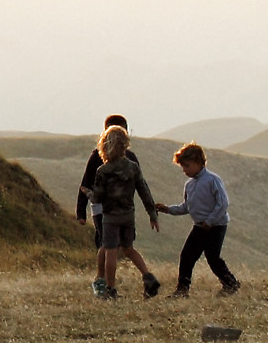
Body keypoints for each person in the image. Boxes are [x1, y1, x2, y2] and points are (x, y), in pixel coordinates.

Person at [86, 126, 162, 299]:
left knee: (110, 251)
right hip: (128, 216)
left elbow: (97, 197)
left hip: (110, 217)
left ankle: (110, 289)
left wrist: (88, 193)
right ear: (125, 146)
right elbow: (144, 191)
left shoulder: (103, 171)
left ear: (105, 146)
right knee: (129, 249)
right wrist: (152, 214)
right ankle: (148, 276)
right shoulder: (132, 167)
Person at [159, 143, 239, 297]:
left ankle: (231, 283)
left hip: (216, 226)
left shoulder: (212, 180)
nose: (185, 170)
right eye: (183, 167)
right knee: (187, 256)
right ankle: (182, 290)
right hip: (200, 226)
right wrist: (168, 209)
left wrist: (210, 221)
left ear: (199, 162)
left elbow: (223, 203)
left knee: (213, 257)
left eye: (187, 166)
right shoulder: (189, 185)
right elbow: (186, 207)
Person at [77, 113, 138, 295]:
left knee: (121, 245)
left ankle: (105, 280)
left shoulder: (131, 158)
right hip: (101, 209)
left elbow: (136, 184)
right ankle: (102, 281)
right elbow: (85, 184)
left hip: (122, 209)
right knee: (106, 243)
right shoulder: (97, 157)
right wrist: (80, 212)